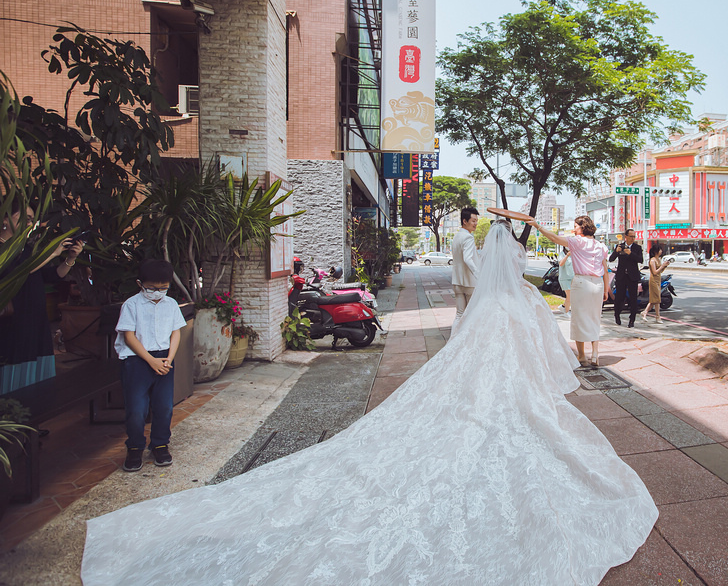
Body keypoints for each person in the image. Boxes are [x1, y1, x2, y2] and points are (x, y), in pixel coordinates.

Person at [81, 219, 657, 585]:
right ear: (519, 262)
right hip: (513, 396)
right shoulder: (529, 303)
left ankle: (147, 449)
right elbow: (542, 360)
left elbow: (463, 350)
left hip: (471, 393)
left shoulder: (483, 307)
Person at [0, 201, 83, 394]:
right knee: (13, 362)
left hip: (35, 318)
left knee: (36, 367)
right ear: (5, 219)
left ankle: (34, 416)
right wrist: (52, 252)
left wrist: (70, 258)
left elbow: (53, 275)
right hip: (12, 320)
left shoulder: (28, 249)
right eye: (25, 218)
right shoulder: (3, 249)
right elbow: (20, 271)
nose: (30, 223)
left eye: (32, 219)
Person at [113, 259, 186, 473]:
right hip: (137, 360)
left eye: (163, 288)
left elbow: (176, 332)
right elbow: (129, 336)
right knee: (137, 409)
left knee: (164, 407)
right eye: (152, 288)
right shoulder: (131, 305)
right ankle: (135, 446)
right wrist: (150, 360)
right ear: (140, 283)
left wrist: (169, 359)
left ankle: (160, 444)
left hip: (164, 359)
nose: (158, 292)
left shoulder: (171, 304)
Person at [529, 216, 608, 367]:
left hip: (581, 282)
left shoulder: (577, 242)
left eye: (576, 227)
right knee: (595, 317)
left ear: (583, 227)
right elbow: (604, 269)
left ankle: (582, 356)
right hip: (597, 284)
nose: (574, 229)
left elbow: (554, 238)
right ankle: (595, 354)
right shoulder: (601, 246)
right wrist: (606, 289)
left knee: (579, 318)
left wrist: (538, 227)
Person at [450, 206, 479, 328]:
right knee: (471, 315)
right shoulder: (468, 237)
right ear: (464, 221)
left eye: (476, 221)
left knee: (459, 314)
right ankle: (466, 344)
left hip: (457, 281)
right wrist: (479, 275)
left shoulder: (456, 236)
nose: (475, 224)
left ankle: (454, 341)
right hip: (469, 283)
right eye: (473, 221)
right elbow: (468, 259)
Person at [609, 229, 644, 328]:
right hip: (621, 276)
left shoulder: (637, 248)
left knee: (633, 298)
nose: (632, 238)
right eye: (631, 236)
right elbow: (611, 259)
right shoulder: (619, 246)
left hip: (632, 277)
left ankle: (632, 320)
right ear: (626, 236)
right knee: (619, 298)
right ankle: (617, 315)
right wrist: (616, 252)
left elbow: (640, 260)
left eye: (634, 236)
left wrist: (630, 253)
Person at [641, 245, 671, 325]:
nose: (661, 251)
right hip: (653, 281)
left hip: (658, 280)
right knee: (656, 299)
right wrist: (662, 266)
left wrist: (664, 266)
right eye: (659, 250)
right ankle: (657, 316)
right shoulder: (652, 260)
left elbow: (660, 271)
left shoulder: (658, 259)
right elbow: (654, 272)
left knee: (655, 299)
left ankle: (645, 312)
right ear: (655, 251)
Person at [556, 247, 574, 314]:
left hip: (573, 277)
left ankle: (563, 306)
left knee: (571, 296)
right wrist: (567, 255)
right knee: (570, 296)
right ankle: (566, 312)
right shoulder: (562, 254)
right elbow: (561, 263)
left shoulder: (574, 254)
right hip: (565, 278)